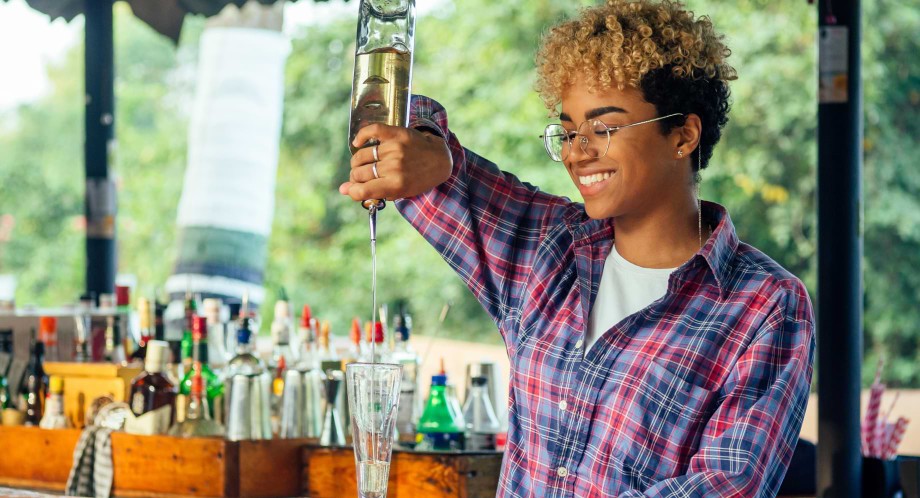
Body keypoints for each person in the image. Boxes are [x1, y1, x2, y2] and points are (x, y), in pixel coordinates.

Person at [340, 0, 815, 495]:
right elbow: (400, 124)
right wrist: (424, 149)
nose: (576, 151)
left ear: (683, 135)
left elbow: (724, 486)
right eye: (568, 131)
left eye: (603, 128)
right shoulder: (549, 251)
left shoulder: (766, 305)